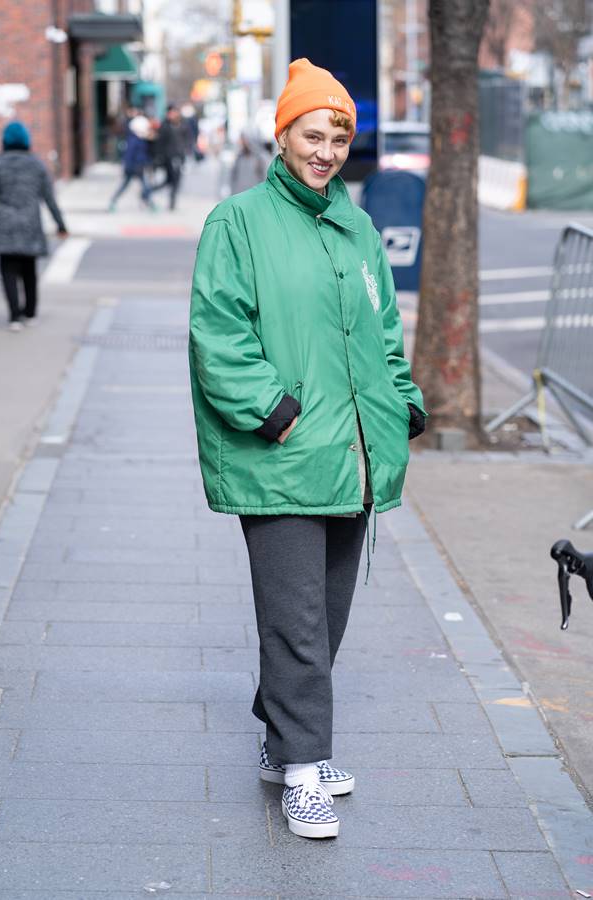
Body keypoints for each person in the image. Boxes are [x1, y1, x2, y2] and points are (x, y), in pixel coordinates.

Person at [188, 58, 426, 839]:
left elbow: (383, 329)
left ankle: (284, 739)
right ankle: (300, 771)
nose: (325, 150)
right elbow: (219, 331)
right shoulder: (238, 221)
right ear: (281, 135)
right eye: (311, 134)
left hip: (354, 456)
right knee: (295, 621)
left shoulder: (355, 227)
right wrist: (272, 411)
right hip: (283, 452)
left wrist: (406, 401)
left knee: (326, 616)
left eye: (337, 137)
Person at [0, 121, 68, 331]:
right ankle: (30, 312)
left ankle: (14, 316)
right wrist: (61, 225)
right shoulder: (36, 165)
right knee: (29, 270)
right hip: (30, 223)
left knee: (7, 269)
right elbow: (50, 199)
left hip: (3, 223)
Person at [108, 115, 155, 212]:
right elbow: (129, 155)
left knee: (141, 185)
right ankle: (149, 203)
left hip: (139, 166)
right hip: (134, 166)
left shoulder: (140, 139)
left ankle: (149, 202)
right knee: (140, 185)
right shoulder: (134, 140)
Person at [148, 105, 188, 210]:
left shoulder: (182, 124)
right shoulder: (165, 126)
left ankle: (169, 199)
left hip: (179, 156)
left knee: (173, 180)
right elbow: (159, 143)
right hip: (168, 157)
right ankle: (150, 191)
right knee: (171, 180)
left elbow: (187, 139)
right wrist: (158, 157)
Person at [229, 127, 271, 195]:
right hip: (240, 199)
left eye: (243, 139)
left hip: (255, 199)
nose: (240, 141)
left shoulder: (261, 158)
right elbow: (233, 178)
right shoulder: (239, 157)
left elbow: (265, 179)